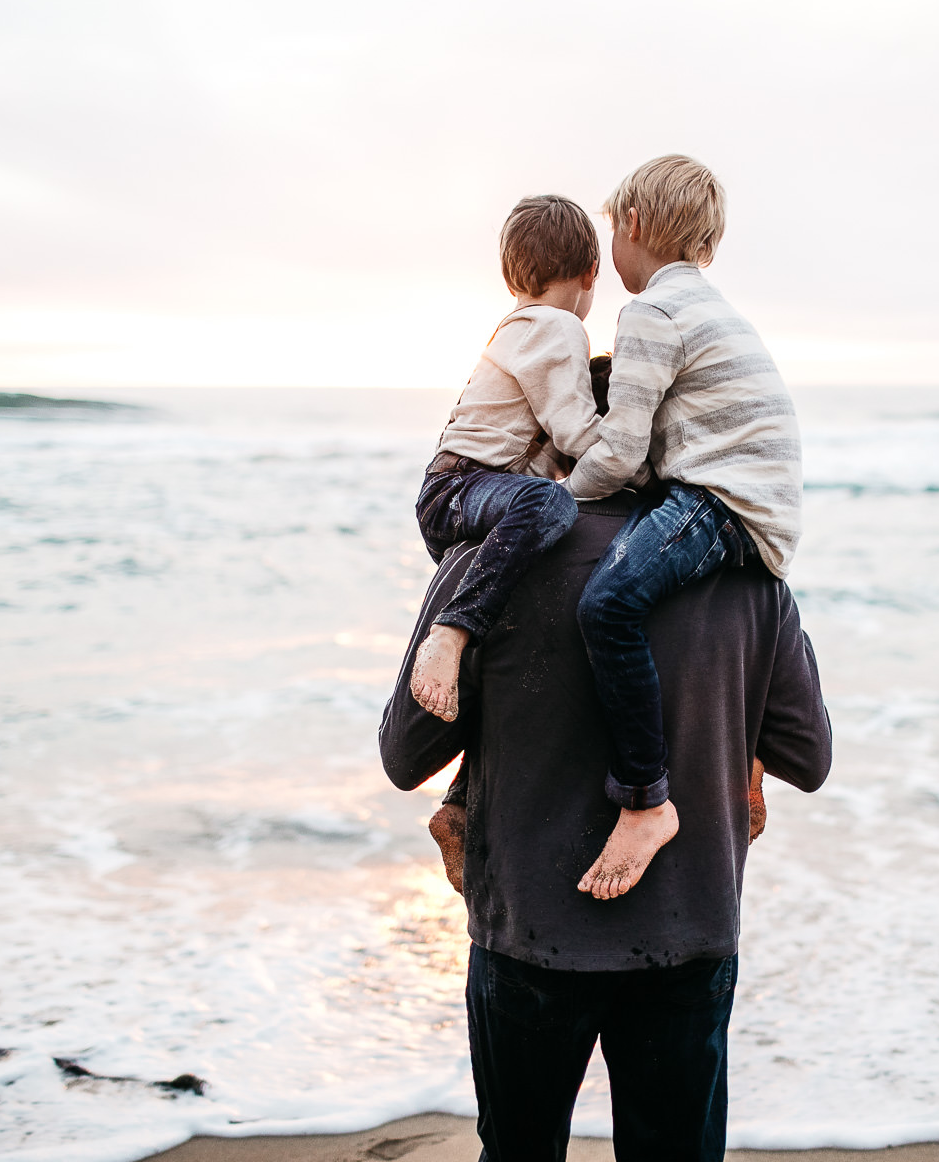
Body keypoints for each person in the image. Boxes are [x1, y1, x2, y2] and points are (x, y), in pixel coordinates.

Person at [379, 488, 830, 1161]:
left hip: (527, 930)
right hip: (689, 927)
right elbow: (809, 756)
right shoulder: (745, 568)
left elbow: (405, 754)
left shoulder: (489, 561)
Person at [563, 155, 805, 900]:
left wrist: (557, 495)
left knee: (607, 603)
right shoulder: (713, 310)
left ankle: (646, 801)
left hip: (721, 500)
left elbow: (623, 448)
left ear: (631, 223)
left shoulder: (652, 313)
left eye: (612, 229)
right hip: (753, 503)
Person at [408, 194, 606, 725]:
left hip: (457, 492)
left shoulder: (517, 325)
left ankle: (462, 777)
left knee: (517, 608)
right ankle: (450, 632)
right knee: (550, 506)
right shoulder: (557, 327)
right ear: (592, 272)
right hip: (466, 488)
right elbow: (579, 435)